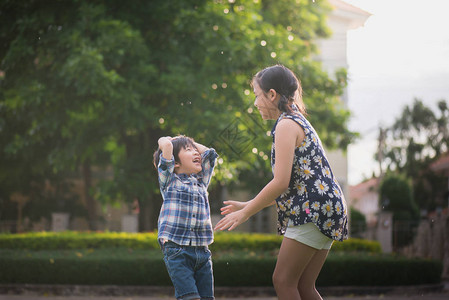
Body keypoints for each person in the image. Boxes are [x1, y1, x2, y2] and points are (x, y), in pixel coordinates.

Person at [214, 65, 348, 300]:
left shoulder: (286, 125)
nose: (255, 103)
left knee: (283, 281)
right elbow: (292, 188)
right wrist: (248, 205)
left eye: (257, 95)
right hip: (327, 208)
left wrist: (246, 214)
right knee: (305, 287)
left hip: (312, 211)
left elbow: (280, 183)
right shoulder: (297, 120)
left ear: (272, 94)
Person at [153, 135, 218, 300]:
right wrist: (167, 142)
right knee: (190, 298)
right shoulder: (169, 181)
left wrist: (189, 142)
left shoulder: (201, 181)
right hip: (177, 250)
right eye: (188, 150)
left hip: (202, 252)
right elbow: (167, 149)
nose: (196, 153)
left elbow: (209, 154)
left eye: (195, 150)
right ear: (175, 163)